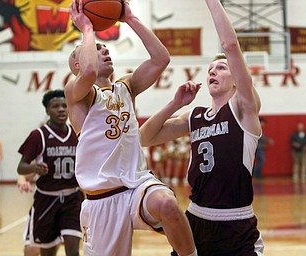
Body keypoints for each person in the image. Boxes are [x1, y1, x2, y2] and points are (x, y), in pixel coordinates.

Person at [64, 0, 197, 255]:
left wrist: (131, 19)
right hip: (102, 198)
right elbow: (90, 71)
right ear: (77, 65)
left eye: (105, 48)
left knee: (168, 204)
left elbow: (161, 59)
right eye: (97, 48)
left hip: (137, 185)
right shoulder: (77, 93)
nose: (104, 51)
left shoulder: (125, 87)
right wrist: (87, 29)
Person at [140, 0, 264, 255]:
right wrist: (174, 104)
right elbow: (144, 137)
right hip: (196, 218)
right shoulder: (194, 116)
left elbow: (230, 45)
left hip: (236, 222)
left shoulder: (243, 108)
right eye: (210, 69)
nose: (213, 71)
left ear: (235, 80)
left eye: (221, 67)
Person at [17, 89, 84, 256]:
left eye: (64, 105)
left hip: (72, 199)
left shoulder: (78, 133)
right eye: (55, 106)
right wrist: (33, 168)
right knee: (47, 252)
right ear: (47, 110)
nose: (61, 109)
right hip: (46, 199)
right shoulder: (38, 135)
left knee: (73, 250)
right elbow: (21, 167)